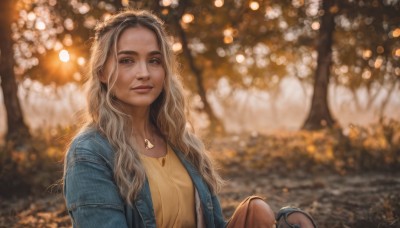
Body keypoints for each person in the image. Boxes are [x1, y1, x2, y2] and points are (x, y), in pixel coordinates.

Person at [63, 9, 317, 228]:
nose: (144, 73)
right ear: (102, 73)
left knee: (258, 210)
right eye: (127, 61)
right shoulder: (89, 153)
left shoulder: (182, 143)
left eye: (154, 60)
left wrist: (283, 218)